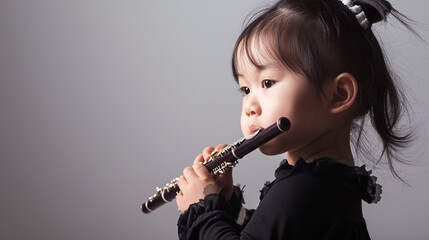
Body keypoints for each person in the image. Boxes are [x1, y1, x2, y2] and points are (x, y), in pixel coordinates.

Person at [175, 0, 414, 239]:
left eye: (267, 83)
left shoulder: (303, 190)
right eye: (246, 89)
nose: (249, 106)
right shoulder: (325, 183)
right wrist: (223, 202)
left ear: (338, 95)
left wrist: (203, 208)